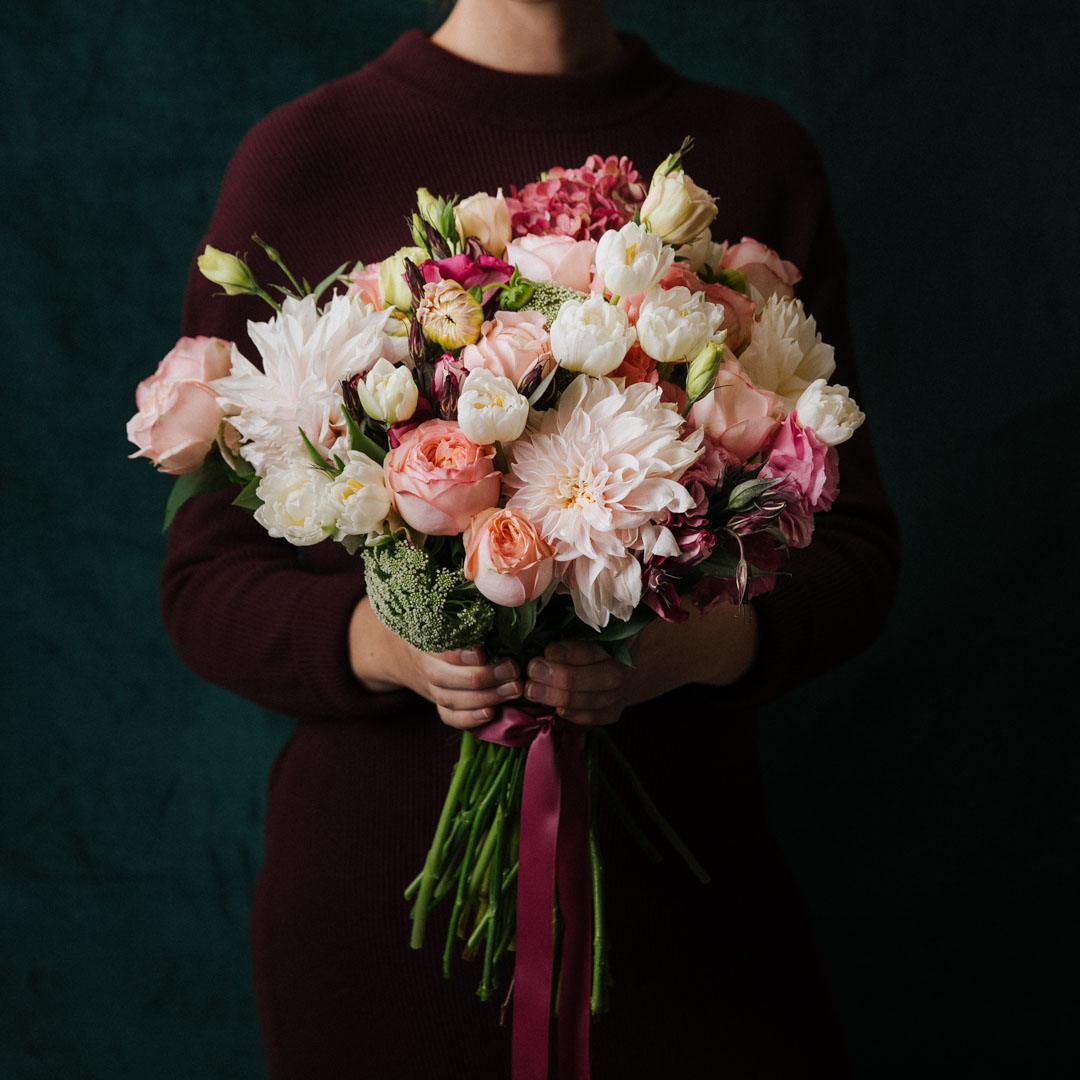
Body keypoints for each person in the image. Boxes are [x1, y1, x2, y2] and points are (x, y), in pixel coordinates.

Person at [162, 1, 899, 1075]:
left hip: (686, 902)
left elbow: (858, 551)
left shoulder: (752, 155)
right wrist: (388, 645)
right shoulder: (307, 156)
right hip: (382, 916)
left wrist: (687, 650)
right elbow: (203, 579)